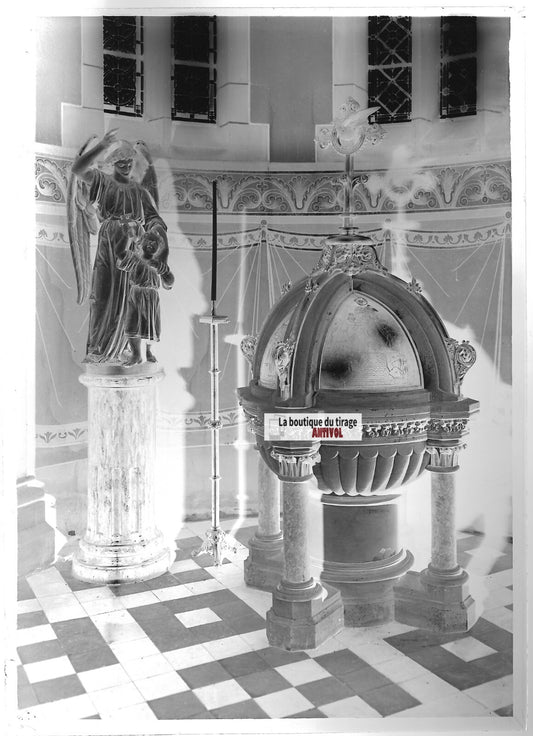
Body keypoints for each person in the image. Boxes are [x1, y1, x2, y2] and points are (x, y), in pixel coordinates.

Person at [69, 129, 169, 363]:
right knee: (104, 295)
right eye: (121, 162)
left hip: (133, 246)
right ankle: (101, 348)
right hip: (109, 245)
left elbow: (154, 219)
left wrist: (157, 243)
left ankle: (128, 348)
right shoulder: (102, 181)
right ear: (112, 162)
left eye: (129, 162)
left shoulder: (139, 191)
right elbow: (77, 169)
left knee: (131, 298)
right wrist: (102, 145)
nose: (126, 166)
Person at [117, 230, 175, 366]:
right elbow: (120, 254)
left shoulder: (158, 264)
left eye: (155, 244)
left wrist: (164, 271)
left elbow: (170, 282)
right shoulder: (134, 259)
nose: (151, 244)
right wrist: (128, 237)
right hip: (136, 294)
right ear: (141, 243)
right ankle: (136, 354)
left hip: (152, 297)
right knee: (132, 324)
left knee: (151, 326)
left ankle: (149, 351)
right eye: (148, 241)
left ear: (158, 249)